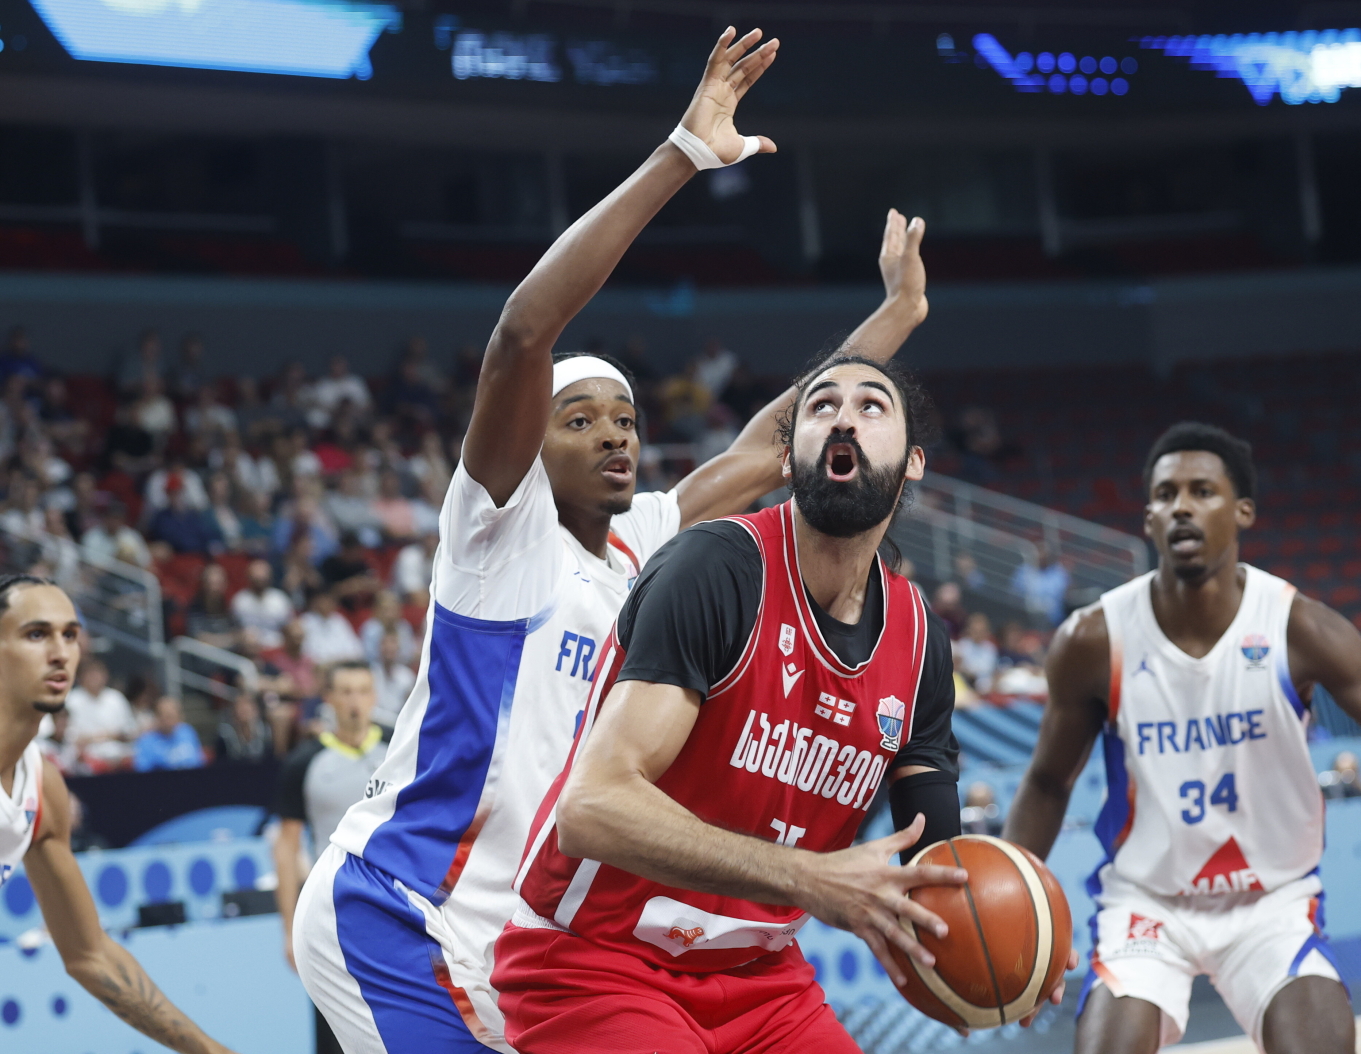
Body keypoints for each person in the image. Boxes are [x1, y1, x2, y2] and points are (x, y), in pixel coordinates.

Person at [292, 29, 932, 1054]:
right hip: (404, 907)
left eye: (625, 420)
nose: (613, 436)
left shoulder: (652, 540)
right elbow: (520, 335)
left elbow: (781, 441)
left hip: (524, 929)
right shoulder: (495, 528)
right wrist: (681, 150)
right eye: (577, 419)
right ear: (527, 444)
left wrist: (893, 317)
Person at [495, 347, 1001, 1053]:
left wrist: (1012, 951)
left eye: (870, 406)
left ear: (913, 460)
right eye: (820, 408)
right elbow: (591, 809)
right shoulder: (716, 570)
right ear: (789, 458)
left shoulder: (920, 644)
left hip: (762, 980)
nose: (843, 421)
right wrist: (809, 878)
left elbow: (936, 857)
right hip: (598, 963)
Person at [1004, 422, 1361, 1054]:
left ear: (1242, 511)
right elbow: (1048, 782)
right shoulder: (1093, 639)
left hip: (1273, 903)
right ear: (1148, 519)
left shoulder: (1302, 629)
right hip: (1147, 905)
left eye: (1202, 491)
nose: (1181, 505)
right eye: (1165, 495)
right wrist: (1013, 907)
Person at [0, 576, 240, 1051]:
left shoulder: (43, 788)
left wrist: (211, 1050)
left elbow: (92, 955)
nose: (60, 652)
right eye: (36, 634)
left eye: (70, 635)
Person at [275, 661, 387, 1054]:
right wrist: (289, 925)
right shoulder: (304, 763)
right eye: (346, 691)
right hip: (330, 917)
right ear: (329, 699)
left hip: (395, 913)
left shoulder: (401, 750)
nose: (355, 700)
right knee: (334, 1037)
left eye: (362, 690)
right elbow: (286, 847)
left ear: (374, 696)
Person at [64, 656, 137, 771]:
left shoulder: (116, 698)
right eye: (91, 674)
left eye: (98, 673)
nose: (95, 678)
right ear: (81, 677)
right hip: (87, 758)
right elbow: (70, 737)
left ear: (106, 676)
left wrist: (97, 737)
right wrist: (108, 736)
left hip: (118, 755)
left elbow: (129, 731)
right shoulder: (72, 700)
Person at [231, 557, 294, 648]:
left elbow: (289, 628)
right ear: (249, 577)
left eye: (263, 576)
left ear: (269, 577)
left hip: (276, 648)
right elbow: (235, 630)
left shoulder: (280, 599)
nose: (260, 578)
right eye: (256, 577)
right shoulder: (240, 600)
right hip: (248, 648)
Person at [133, 696, 204, 771]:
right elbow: (143, 771)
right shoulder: (146, 740)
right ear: (158, 717)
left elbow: (199, 761)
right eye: (168, 716)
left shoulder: (187, 732)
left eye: (175, 715)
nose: (172, 721)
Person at [299, 589, 365, 666]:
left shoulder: (339, 620)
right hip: (321, 668)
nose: (327, 604)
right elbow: (307, 653)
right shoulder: (305, 621)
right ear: (315, 602)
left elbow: (356, 649)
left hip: (343, 665)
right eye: (324, 601)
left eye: (330, 601)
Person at [216, 692, 272, 763]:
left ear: (256, 710)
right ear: (233, 711)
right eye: (240, 707)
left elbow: (270, 760)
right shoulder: (225, 735)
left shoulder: (265, 732)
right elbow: (220, 762)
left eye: (247, 706)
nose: (244, 710)